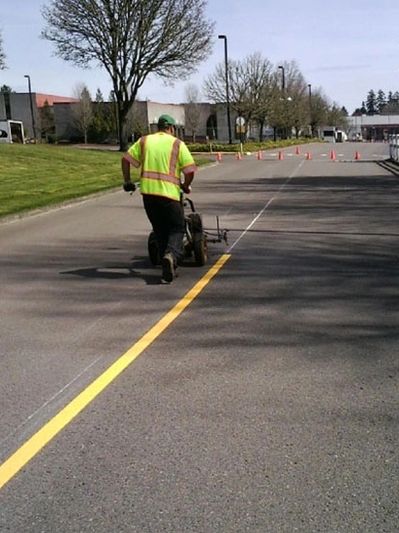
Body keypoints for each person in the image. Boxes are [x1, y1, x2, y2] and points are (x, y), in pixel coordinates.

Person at [122, 114, 197, 283]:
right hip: (169, 196)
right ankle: (170, 256)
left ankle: (167, 269)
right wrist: (185, 185)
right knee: (177, 228)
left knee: (160, 230)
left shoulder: (144, 141)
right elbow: (190, 170)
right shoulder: (177, 144)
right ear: (171, 128)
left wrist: (127, 181)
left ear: (158, 127)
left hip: (148, 196)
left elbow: (126, 159)